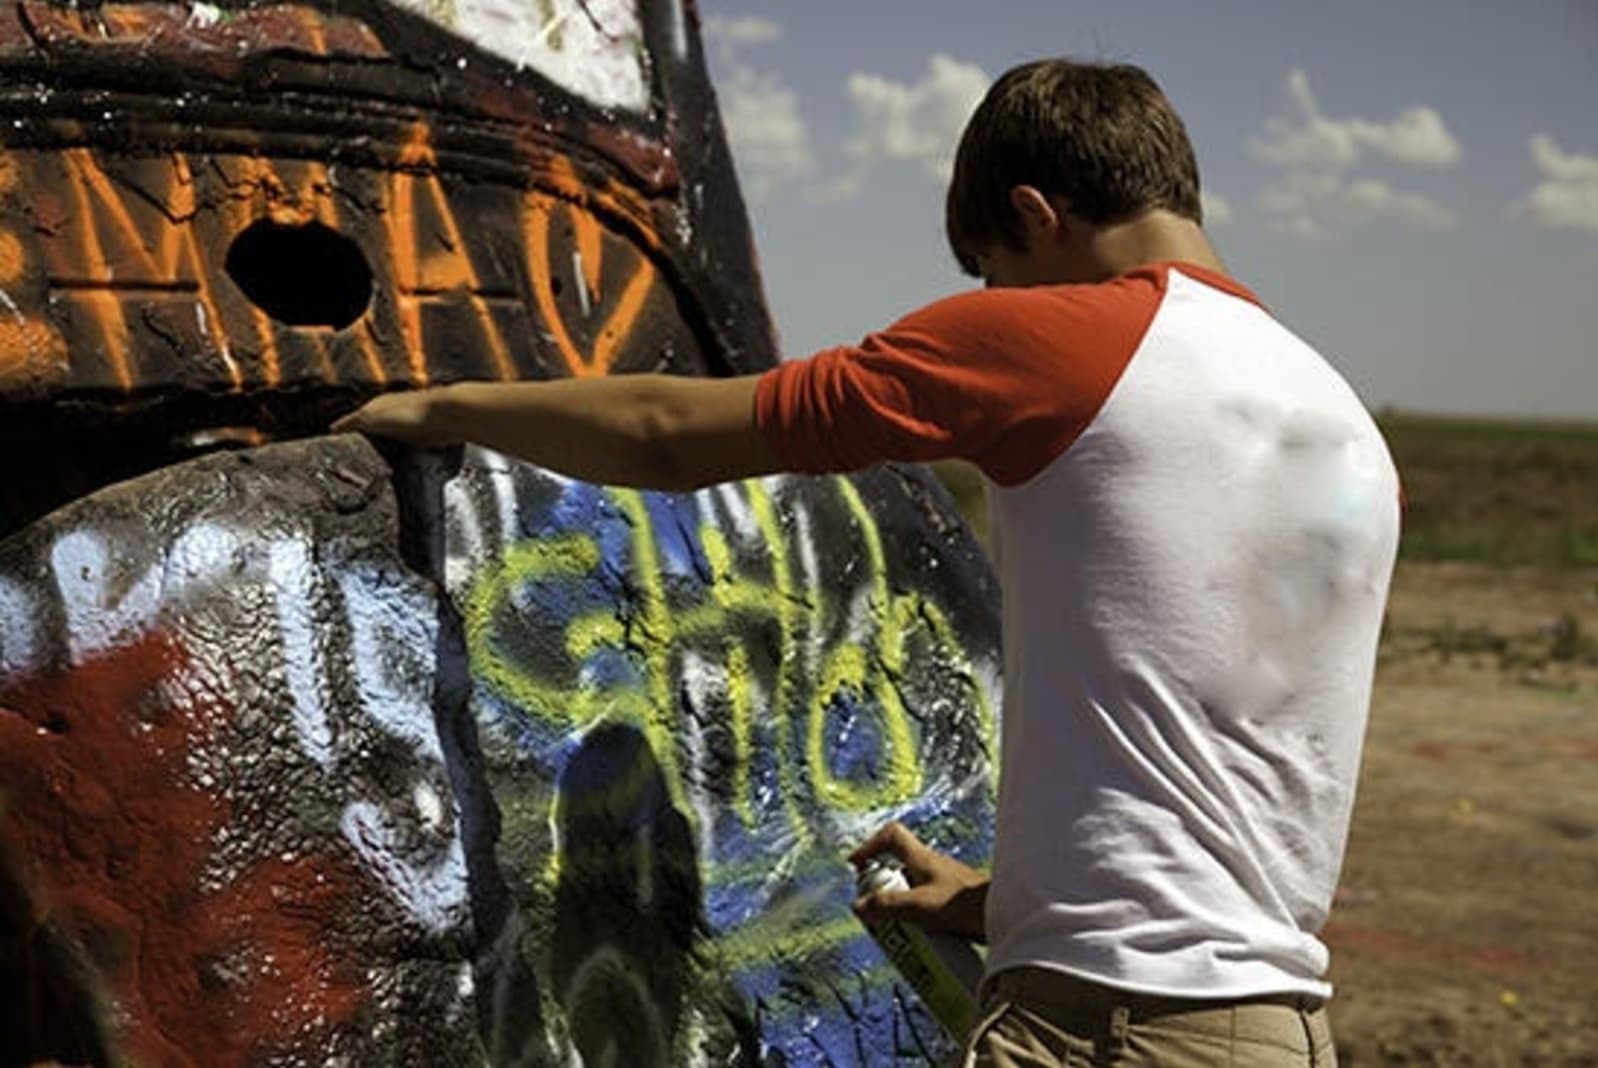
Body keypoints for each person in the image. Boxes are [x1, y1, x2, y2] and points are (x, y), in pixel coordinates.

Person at [336, 58, 1399, 1067]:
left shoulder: (1061, 344)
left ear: (1035, 216)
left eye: (997, 273)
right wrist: (1003, 900)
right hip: (1273, 1027)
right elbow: (1220, 762)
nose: (999, 299)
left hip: (1104, 1032)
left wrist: (441, 405)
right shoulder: (1336, 419)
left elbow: (668, 430)